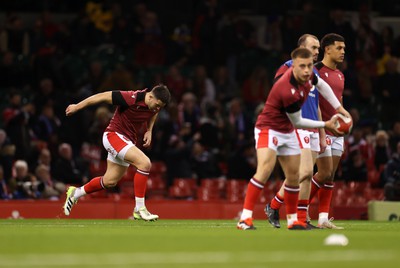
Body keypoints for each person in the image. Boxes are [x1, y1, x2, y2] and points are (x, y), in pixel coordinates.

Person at [236, 47, 350, 230]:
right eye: (302, 66)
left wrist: (340, 109)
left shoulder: (308, 77)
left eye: (310, 66)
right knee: (264, 170)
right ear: (292, 66)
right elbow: (298, 121)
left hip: (288, 130)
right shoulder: (286, 88)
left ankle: (292, 220)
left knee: (294, 175)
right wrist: (325, 126)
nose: (307, 70)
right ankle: (245, 218)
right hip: (270, 129)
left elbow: (323, 86)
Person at [63, 84, 171, 221]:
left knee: (109, 181)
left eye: (160, 107)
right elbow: (101, 96)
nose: (157, 109)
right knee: (145, 163)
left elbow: (154, 113)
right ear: (150, 96)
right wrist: (77, 106)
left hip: (126, 141)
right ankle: (140, 209)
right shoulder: (130, 97)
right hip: (113, 135)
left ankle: (75, 193)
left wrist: (149, 130)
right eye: (157, 105)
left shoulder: (153, 104)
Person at [265, 34, 326, 229]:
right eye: (314, 47)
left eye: (318, 48)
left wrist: (323, 132)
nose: (318, 51)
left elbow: (316, 104)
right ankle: (281, 209)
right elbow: (277, 92)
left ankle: (298, 216)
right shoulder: (288, 66)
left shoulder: (314, 72)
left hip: (314, 128)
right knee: (306, 171)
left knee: (305, 176)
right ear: (301, 47)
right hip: (297, 126)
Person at [308, 33, 347, 229]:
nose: (343, 52)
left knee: (330, 176)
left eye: (344, 49)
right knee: (323, 173)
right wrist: (322, 128)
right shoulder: (315, 71)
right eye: (339, 48)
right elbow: (312, 103)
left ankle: (323, 218)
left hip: (337, 131)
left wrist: (345, 120)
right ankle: (300, 207)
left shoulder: (340, 75)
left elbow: (338, 102)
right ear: (327, 49)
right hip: (321, 129)